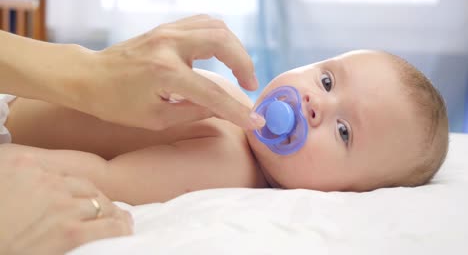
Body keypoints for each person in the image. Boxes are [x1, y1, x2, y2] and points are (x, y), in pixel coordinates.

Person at [2, 50, 449, 205]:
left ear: (348, 194)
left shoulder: (228, 167)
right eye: (327, 80)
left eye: (344, 131)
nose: (316, 104)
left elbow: (104, 177)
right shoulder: (233, 106)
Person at [0, 14, 263, 254]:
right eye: (307, 74)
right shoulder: (230, 97)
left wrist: (12, 162)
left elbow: (104, 175)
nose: (306, 107)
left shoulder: (232, 166)